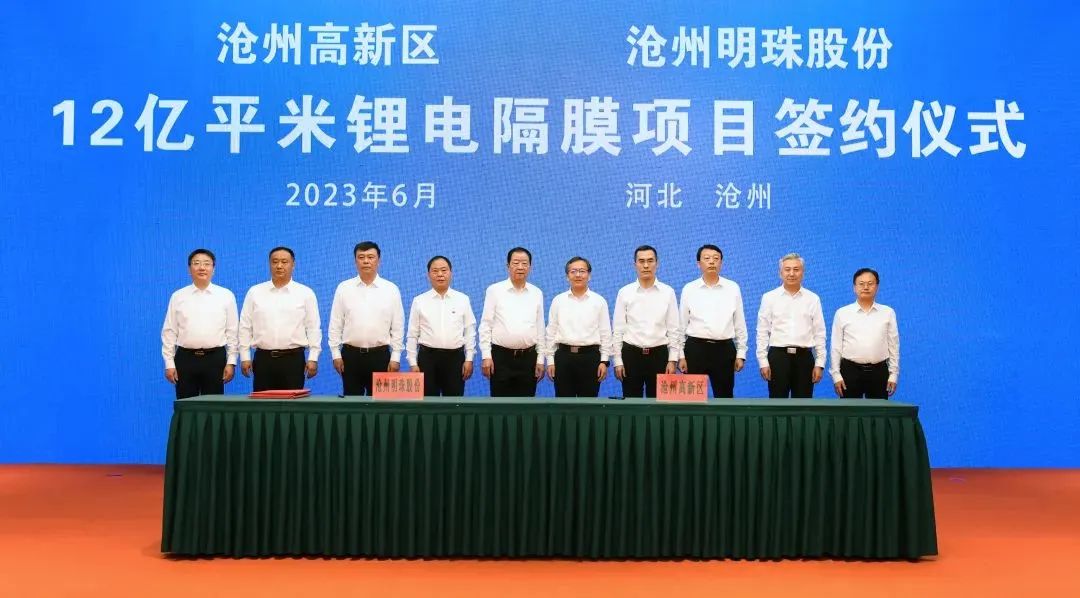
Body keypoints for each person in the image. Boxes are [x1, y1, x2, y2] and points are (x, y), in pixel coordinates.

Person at [239, 247, 321, 391]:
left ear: (293, 264)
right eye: (275, 261)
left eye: (284, 262)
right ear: (269, 264)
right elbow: (245, 326)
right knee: (263, 402)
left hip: (293, 360)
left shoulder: (305, 293)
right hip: (263, 360)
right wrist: (245, 356)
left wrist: (313, 357)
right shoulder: (255, 292)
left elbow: (313, 328)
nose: (279, 266)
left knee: (292, 403)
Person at [328, 241, 405, 396]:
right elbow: (336, 324)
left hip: (380, 357)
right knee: (352, 403)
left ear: (379, 260)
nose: (366, 261)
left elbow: (397, 326)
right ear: (355, 261)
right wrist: (336, 354)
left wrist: (396, 356)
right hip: (350, 357)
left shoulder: (391, 289)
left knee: (380, 404)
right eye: (361, 257)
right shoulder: (344, 288)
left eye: (370, 257)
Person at [160, 249, 238, 399]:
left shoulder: (226, 296)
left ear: (213, 269)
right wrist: (169, 363)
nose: (202, 267)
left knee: (214, 406)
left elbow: (232, 332)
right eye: (196, 263)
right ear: (189, 269)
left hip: (215, 359)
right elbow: (169, 331)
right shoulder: (178, 296)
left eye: (207, 264)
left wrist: (231, 362)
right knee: (186, 405)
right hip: (186, 359)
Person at [677, 244, 747, 398]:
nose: (711, 262)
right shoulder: (689, 289)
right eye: (707, 258)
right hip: (695, 349)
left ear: (721, 263)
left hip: (724, 350)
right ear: (698, 263)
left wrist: (741, 353)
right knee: (692, 399)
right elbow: (681, 325)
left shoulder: (732, 288)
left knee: (725, 398)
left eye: (716, 258)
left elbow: (739, 323)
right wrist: (680, 355)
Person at [612, 245, 679, 398]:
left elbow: (674, 329)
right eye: (641, 261)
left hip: (659, 355)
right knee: (631, 402)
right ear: (635, 264)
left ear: (657, 263)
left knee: (658, 405)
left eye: (650, 261)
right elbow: (618, 329)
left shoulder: (668, 292)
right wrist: (618, 360)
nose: (646, 265)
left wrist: (672, 359)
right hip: (631, 355)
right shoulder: (625, 292)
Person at [756, 253, 826, 398]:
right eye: (787, 269)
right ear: (780, 273)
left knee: (803, 404)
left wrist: (819, 363)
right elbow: (762, 331)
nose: (792, 273)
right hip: (778, 358)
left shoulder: (813, 299)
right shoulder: (769, 298)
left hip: (804, 358)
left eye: (796, 269)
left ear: (803, 272)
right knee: (777, 403)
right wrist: (763, 361)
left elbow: (819, 333)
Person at [479, 247, 545, 397]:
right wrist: (486, 356)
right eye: (516, 263)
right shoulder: (494, 290)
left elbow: (540, 328)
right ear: (508, 266)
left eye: (524, 263)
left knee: (526, 405)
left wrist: (541, 359)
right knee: (500, 405)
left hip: (528, 359)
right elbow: (486, 325)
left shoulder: (536, 293)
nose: (520, 267)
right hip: (501, 358)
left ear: (530, 267)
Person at [406, 255, 476, 396]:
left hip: (455, 359)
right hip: (427, 359)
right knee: (428, 403)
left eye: (444, 270)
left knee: (454, 402)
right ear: (428, 275)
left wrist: (469, 359)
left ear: (451, 273)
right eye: (435, 271)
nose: (440, 274)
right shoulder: (419, 301)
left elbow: (470, 331)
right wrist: (413, 363)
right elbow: (412, 334)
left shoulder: (462, 299)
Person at [545, 257, 611, 397]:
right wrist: (550, 361)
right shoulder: (558, 301)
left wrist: (604, 361)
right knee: (564, 404)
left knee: (588, 405)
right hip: (563, 358)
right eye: (573, 271)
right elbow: (551, 332)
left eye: (582, 271)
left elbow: (605, 333)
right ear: (567, 276)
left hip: (590, 358)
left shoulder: (599, 301)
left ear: (589, 275)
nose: (578, 275)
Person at [830, 268, 900, 399]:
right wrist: (836, 375)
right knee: (849, 411)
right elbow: (836, 347)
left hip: (879, 372)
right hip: (850, 371)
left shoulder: (888, 312)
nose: (866, 287)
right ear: (854, 287)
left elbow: (894, 345)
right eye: (861, 284)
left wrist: (893, 374)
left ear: (877, 287)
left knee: (879, 411)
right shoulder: (842, 313)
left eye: (870, 283)